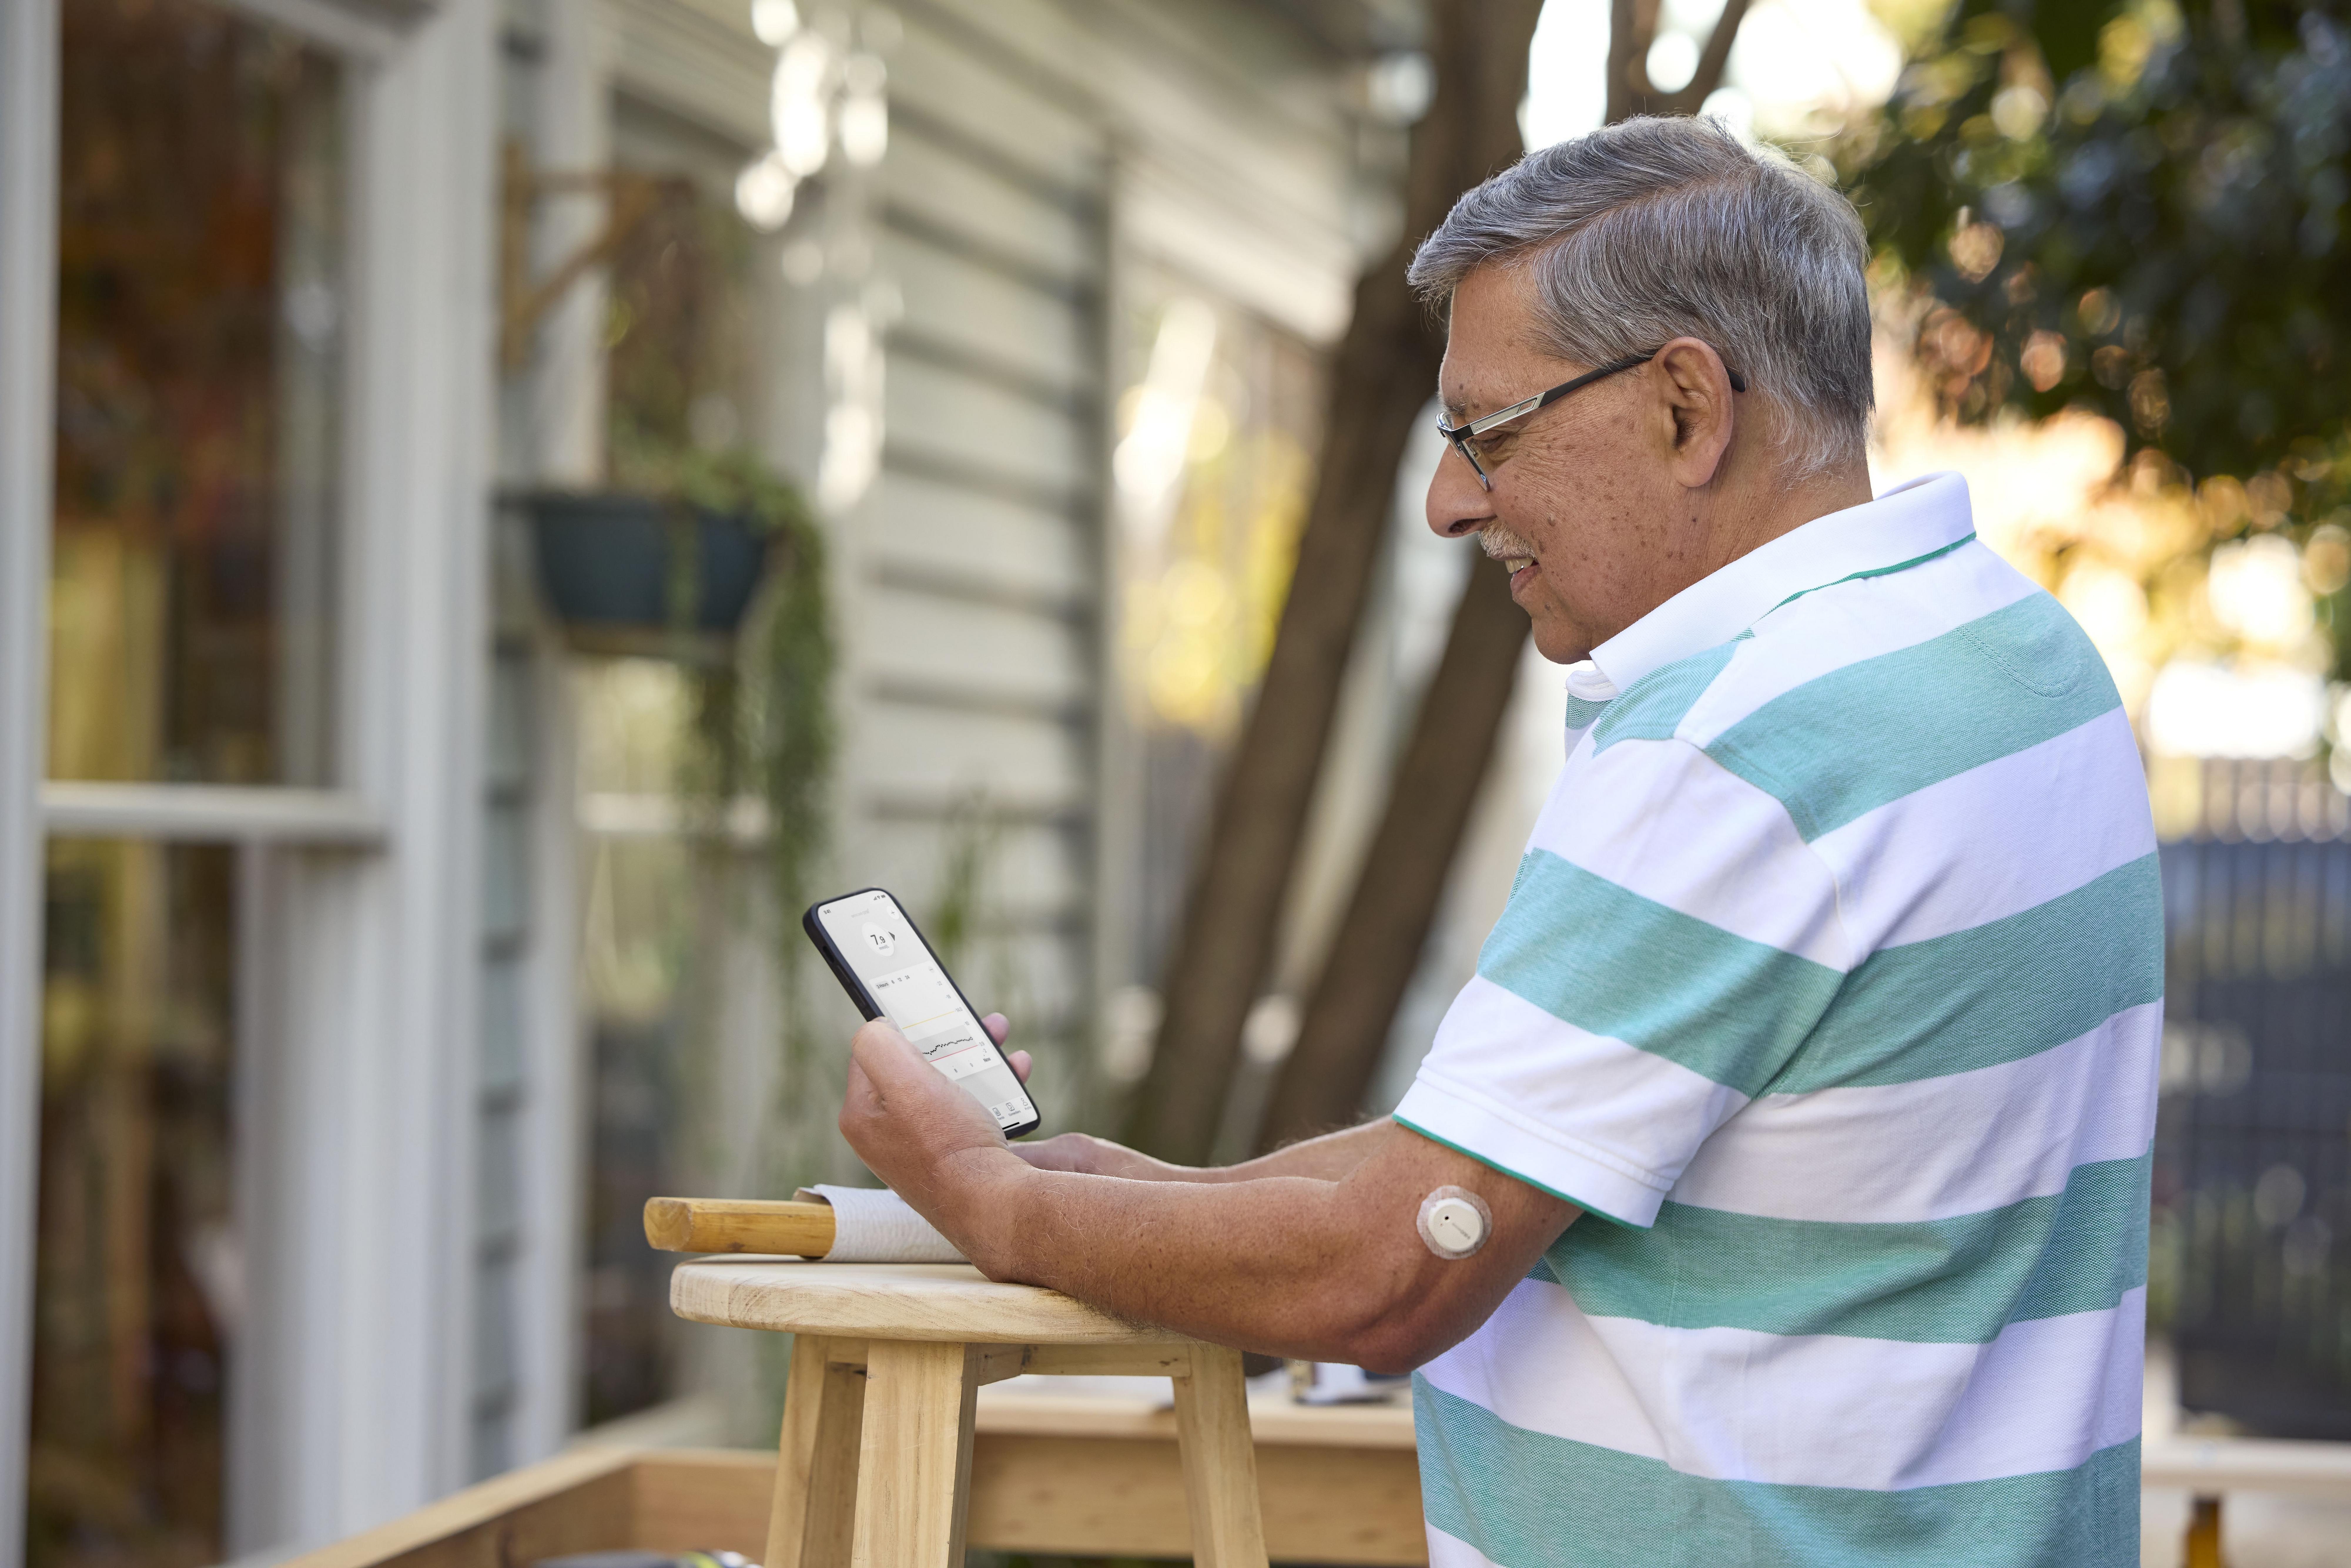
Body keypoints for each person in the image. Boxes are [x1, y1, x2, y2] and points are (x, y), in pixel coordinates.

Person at [837, 115, 2158, 1567]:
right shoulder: (2017, 658)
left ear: (1682, 406)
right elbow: (1494, 1157)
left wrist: (988, 1203)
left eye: (1487, 431)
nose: (1449, 499)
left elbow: (1401, 1266)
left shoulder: (1741, 744)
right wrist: (1125, 1188)